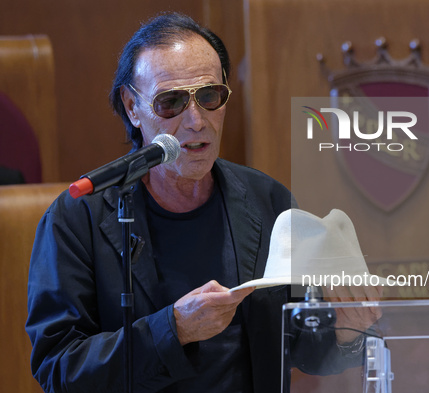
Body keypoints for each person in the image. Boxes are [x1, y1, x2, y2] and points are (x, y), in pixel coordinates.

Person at [26, 12, 380, 393]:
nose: (196, 121)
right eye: (171, 102)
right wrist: (174, 329)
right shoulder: (77, 219)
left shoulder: (268, 200)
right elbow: (58, 370)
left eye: (210, 97)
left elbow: (305, 349)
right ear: (132, 107)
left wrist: (347, 331)